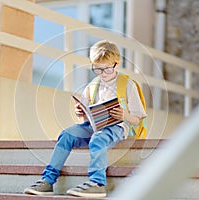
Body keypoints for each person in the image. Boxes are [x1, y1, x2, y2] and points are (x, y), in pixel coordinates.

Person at [23, 40, 147, 198]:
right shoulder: (92, 85)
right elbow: (86, 116)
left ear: (116, 63)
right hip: (94, 126)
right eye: (97, 69)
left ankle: (97, 183)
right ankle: (48, 180)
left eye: (107, 69)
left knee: (98, 138)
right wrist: (80, 112)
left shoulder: (128, 84)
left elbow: (137, 118)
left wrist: (125, 116)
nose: (102, 73)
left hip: (118, 127)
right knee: (66, 135)